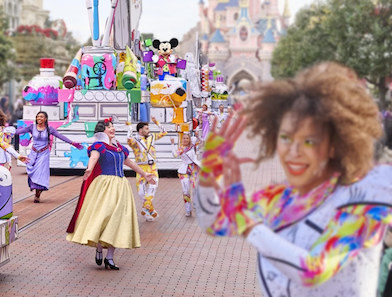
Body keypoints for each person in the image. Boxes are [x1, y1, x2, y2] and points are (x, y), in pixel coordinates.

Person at [196, 62, 392, 296]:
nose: (294, 151)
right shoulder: (279, 198)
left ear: (335, 145)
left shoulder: (363, 203)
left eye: (309, 141)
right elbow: (215, 222)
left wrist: (248, 223)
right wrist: (208, 177)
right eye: (286, 138)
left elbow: (313, 270)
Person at [66, 120, 157, 270]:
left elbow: (129, 163)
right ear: (102, 131)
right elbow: (94, 158)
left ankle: (110, 258)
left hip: (121, 186)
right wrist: (89, 168)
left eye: (112, 126)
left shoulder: (119, 148)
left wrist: (144, 173)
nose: (112, 128)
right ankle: (100, 247)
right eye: (109, 127)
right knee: (104, 216)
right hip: (104, 185)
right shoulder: (99, 146)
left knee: (118, 220)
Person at [12, 111, 82, 203]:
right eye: (38, 117)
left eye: (41, 117)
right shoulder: (32, 127)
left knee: (40, 173)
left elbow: (60, 136)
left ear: (45, 119)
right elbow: (19, 131)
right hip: (33, 153)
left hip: (44, 154)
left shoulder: (50, 129)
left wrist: (72, 143)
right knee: (32, 171)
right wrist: (5, 131)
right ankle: (34, 187)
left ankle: (37, 195)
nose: (39, 118)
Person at [127, 118, 166, 220]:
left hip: (152, 166)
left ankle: (146, 207)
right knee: (141, 192)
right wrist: (130, 127)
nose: (149, 130)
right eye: (147, 128)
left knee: (153, 184)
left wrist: (156, 122)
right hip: (141, 167)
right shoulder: (135, 140)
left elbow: (164, 132)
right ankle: (150, 209)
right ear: (140, 130)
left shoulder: (152, 137)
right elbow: (128, 139)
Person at [171, 132, 201, 217]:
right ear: (181, 140)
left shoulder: (193, 145)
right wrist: (172, 144)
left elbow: (201, 141)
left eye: (187, 138)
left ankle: (195, 204)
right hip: (184, 171)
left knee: (195, 187)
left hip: (194, 169)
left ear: (189, 139)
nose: (185, 140)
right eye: (184, 138)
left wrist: (197, 135)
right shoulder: (181, 149)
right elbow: (174, 155)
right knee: (186, 190)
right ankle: (188, 209)